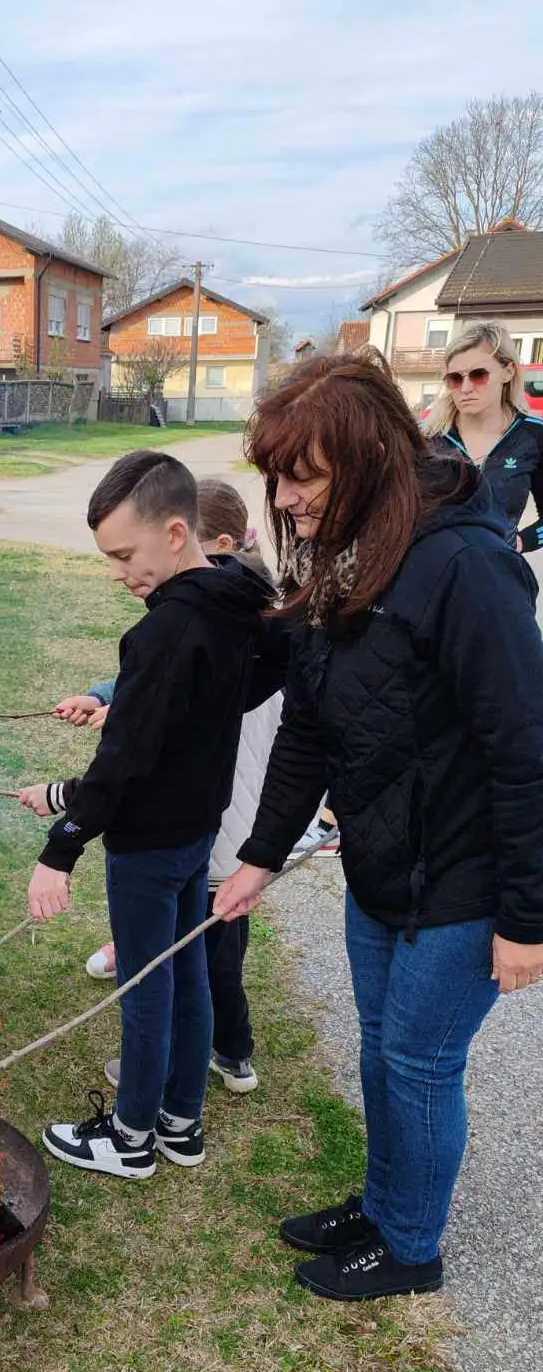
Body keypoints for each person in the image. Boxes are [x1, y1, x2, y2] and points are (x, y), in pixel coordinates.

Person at [216, 352, 543, 1303]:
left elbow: (527, 750)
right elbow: (309, 725)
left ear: (366, 462)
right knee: (379, 1045)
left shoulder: (463, 565)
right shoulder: (342, 556)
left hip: (465, 876)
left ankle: (411, 1247)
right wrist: (259, 858)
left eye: (303, 475)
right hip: (383, 863)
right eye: (276, 473)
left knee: (420, 1059)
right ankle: (385, 1201)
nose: (282, 496)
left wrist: (526, 919)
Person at [19, 451, 279, 1180]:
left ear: (174, 531)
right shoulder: (236, 596)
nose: (119, 572)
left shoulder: (166, 631)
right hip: (198, 827)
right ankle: (181, 1122)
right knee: (188, 971)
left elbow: (122, 762)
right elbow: (258, 678)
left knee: (146, 985)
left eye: (125, 554)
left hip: (149, 842)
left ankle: (132, 1136)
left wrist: (61, 846)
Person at [423, 321, 543, 548]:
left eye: (478, 375)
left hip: (498, 573)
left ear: (508, 372)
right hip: (432, 575)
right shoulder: (427, 436)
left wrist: (520, 543)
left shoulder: (533, 435)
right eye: (455, 379)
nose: (466, 388)